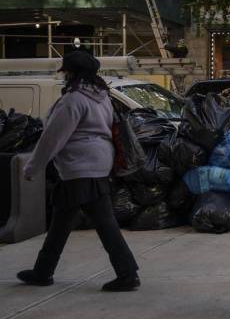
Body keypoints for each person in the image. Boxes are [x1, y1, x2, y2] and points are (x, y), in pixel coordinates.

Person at [16, 49, 140, 292]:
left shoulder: (73, 100)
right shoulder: (102, 96)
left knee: (103, 223)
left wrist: (33, 167)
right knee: (62, 222)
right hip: (98, 164)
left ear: (70, 72)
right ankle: (43, 270)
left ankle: (127, 274)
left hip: (79, 166)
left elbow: (53, 138)